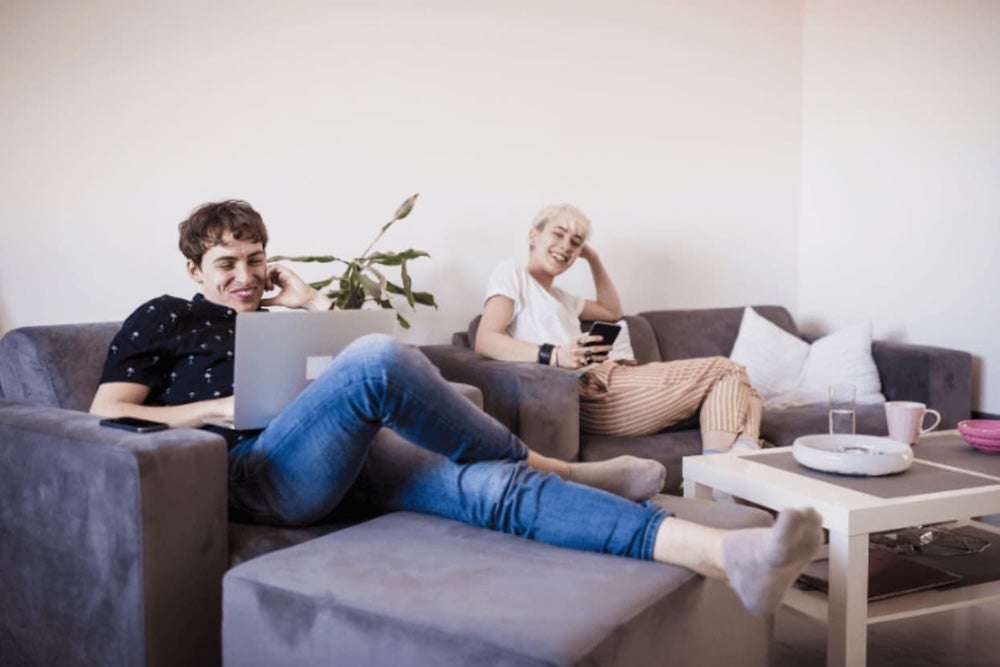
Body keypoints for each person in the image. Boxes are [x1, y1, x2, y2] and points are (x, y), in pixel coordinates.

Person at [90, 199, 821, 617]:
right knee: (378, 358)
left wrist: (309, 303)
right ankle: (557, 463)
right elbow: (106, 412)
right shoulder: (163, 316)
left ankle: (726, 555)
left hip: (347, 457)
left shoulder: (282, 312)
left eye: (257, 259)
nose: (247, 276)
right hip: (256, 470)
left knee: (491, 486)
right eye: (228, 264)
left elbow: (335, 380)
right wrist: (221, 404)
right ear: (194, 269)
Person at [475, 203, 764, 454]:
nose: (566, 246)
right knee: (728, 370)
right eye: (558, 234)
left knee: (745, 391)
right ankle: (723, 473)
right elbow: (486, 340)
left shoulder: (563, 298)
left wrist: (593, 258)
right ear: (533, 236)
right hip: (591, 391)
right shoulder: (512, 273)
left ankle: (731, 468)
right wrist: (554, 355)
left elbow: (612, 310)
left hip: (616, 378)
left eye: (576, 242)